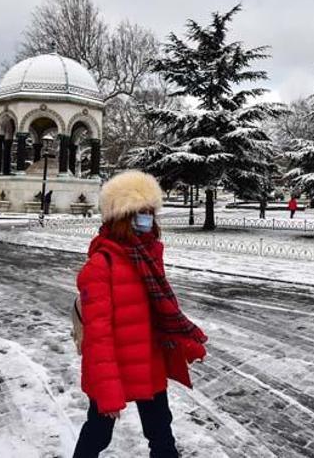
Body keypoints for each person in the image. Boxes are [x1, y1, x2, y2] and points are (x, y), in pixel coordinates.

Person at [73, 170, 207, 458]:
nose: (147, 218)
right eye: (140, 212)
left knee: (162, 436)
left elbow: (161, 313)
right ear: (122, 216)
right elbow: (98, 337)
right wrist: (108, 393)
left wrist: (184, 341)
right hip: (114, 369)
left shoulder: (149, 256)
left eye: (150, 211)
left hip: (149, 364)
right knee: (97, 434)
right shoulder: (100, 265)